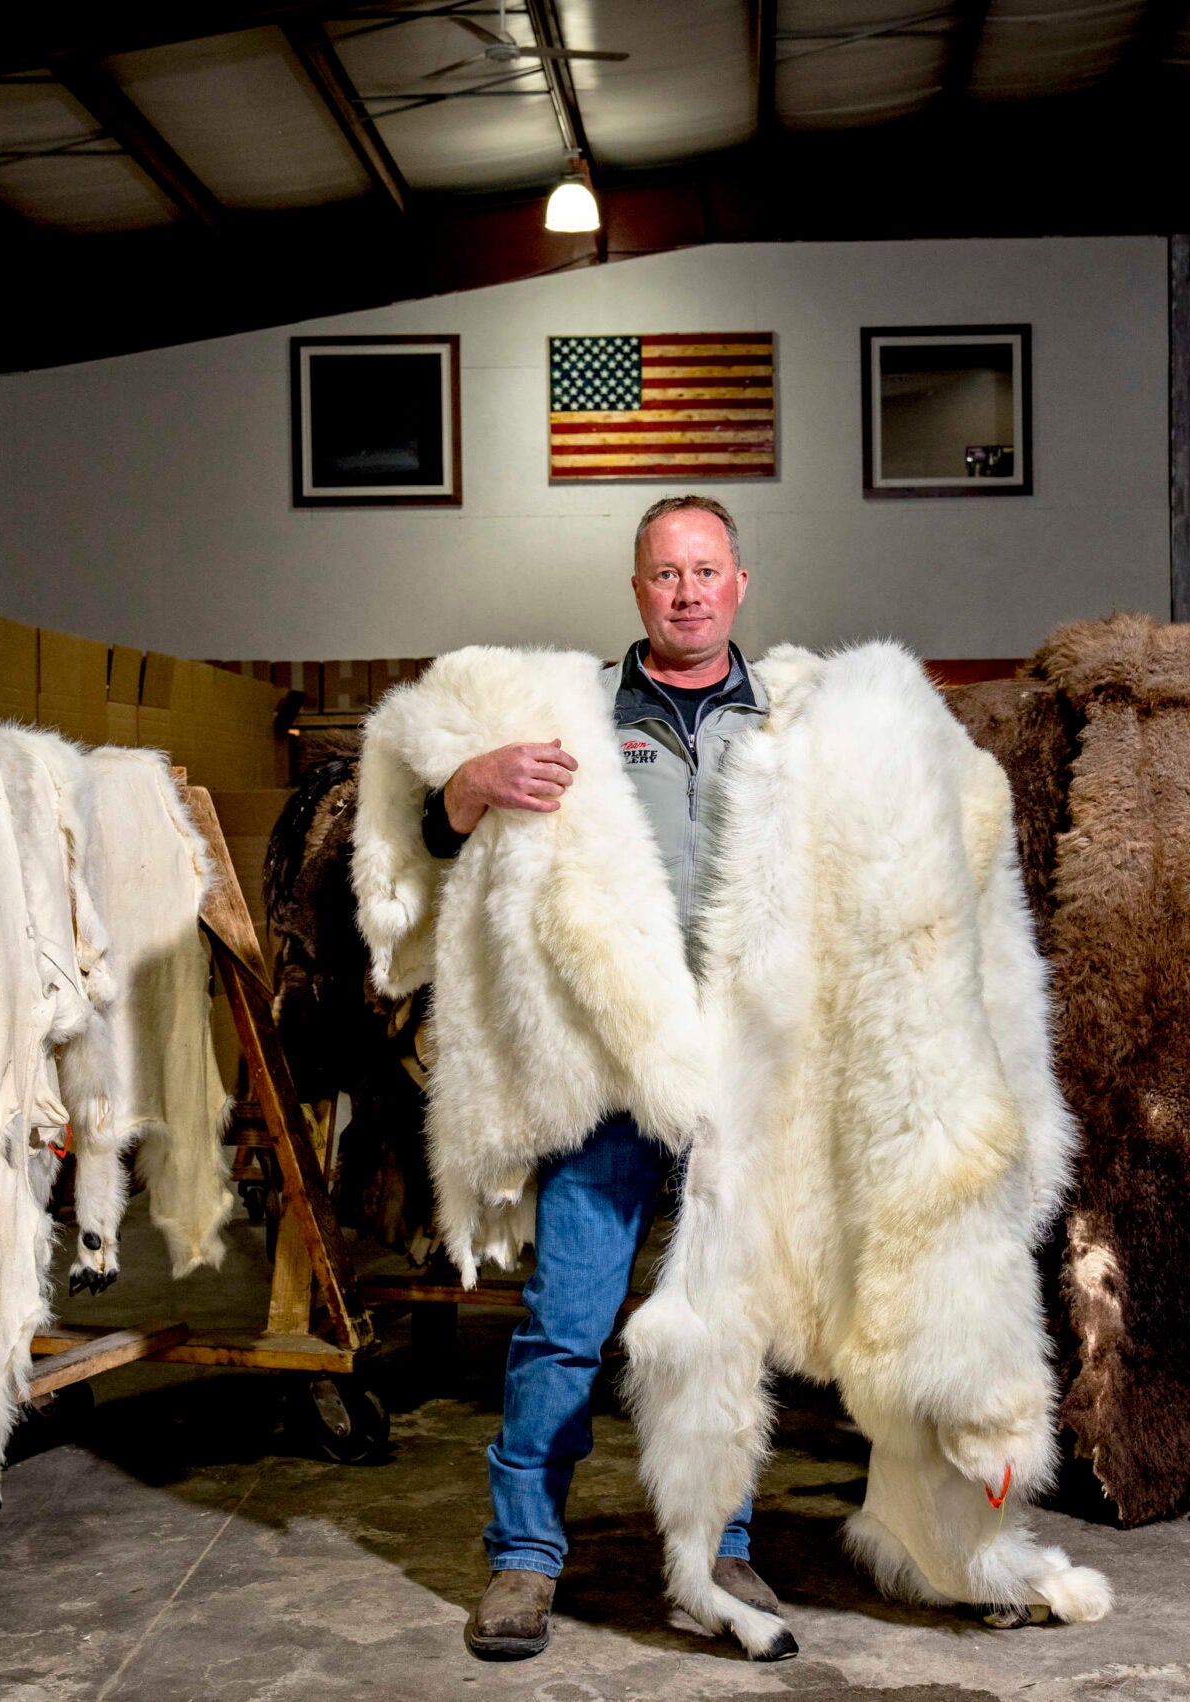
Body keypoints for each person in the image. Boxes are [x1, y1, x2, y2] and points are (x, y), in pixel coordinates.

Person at [426, 494, 784, 1662]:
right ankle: (524, 1560)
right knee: (564, 1328)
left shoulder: (791, 720)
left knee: (725, 1324)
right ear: (637, 591)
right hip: (610, 1072)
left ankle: (719, 1542)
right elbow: (427, 835)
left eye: (704, 570)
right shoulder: (573, 711)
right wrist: (473, 779)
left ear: (739, 583)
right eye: (663, 573)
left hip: (736, 1077)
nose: (685, 591)